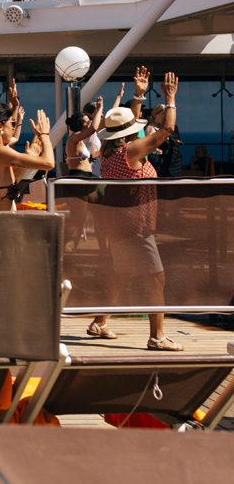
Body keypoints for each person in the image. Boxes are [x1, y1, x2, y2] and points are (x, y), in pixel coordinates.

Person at [87, 73, 183, 350]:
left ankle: (99, 321)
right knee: (156, 276)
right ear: (129, 134)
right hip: (135, 225)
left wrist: (139, 95)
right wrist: (170, 98)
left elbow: (129, 128)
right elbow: (165, 131)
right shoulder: (128, 153)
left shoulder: (109, 154)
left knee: (123, 273)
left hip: (119, 223)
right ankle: (157, 337)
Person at [66, 96, 102, 177]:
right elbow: (93, 128)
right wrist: (99, 110)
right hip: (79, 176)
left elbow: (80, 160)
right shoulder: (73, 138)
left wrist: (92, 157)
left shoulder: (78, 139)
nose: (90, 124)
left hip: (85, 175)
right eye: (88, 123)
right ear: (81, 125)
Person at [146, 104, 182, 177]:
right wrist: (156, 150)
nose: (166, 117)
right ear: (156, 114)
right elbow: (147, 147)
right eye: (163, 114)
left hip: (173, 167)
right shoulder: (150, 129)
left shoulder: (169, 127)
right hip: (160, 167)